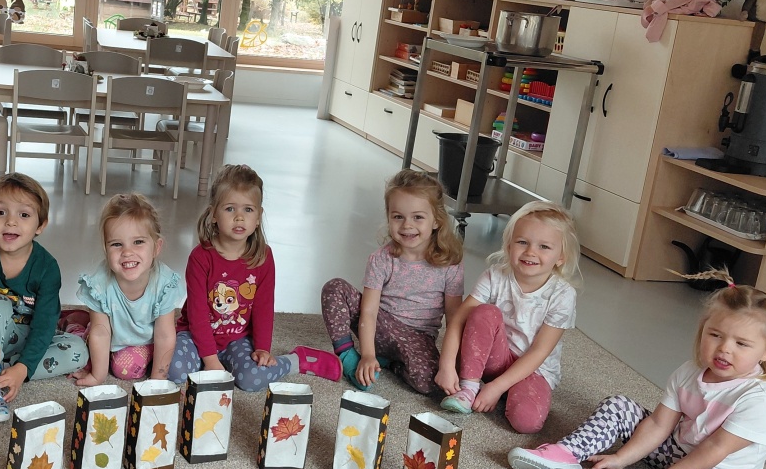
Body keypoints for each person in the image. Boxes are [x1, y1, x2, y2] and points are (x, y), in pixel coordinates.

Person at [511, 274, 766, 469]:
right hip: (677, 447)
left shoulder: (759, 400)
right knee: (620, 406)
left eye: (742, 344)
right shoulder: (690, 372)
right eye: (715, 335)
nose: (724, 349)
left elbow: (714, 450)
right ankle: (566, 454)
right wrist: (622, 458)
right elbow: (660, 424)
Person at [166, 164, 340, 390]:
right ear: (214, 214)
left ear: (258, 216)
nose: (239, 217)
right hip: (194, 335)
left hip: (237, 338)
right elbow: (197, 314)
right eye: (230, 209)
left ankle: (297, 361)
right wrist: (210, 360)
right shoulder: (200, 257)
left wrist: (262, 348)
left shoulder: (263, 257)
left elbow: (263, 307)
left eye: (248, 210)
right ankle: (208, 362)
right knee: (174, 370)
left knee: (251, 380)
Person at [0, 173, 88, 421]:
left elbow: (44, 325)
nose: (11, 222)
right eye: (1, 213)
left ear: (40, 225)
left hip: (25, 336)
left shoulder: (47, 267)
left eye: (24, 215)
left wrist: (23, 369)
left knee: (79, 352)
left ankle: (1, 368)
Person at [435, 200, 579, 434]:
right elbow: (458, 320)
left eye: (544, 246)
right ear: (509, 245)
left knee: (527, 422)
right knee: (484, 312)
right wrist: (447, 365)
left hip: (533, 369)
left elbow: (539, 352)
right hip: (493, 358)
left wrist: (496, 387)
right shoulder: (494, 276)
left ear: (561, 257)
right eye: (522, 242)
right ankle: (470, 387)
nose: (530, 252)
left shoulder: (563, 295)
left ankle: (503, 390)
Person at [321, 169, 464, 394]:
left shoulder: (450, 265)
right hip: (379, 325)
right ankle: (348, 357)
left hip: (417, 337)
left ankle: (393, 363)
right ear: (389, 217)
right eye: (398, 217)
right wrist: (367, 355)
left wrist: (450, 365)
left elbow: (455, 319)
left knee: (430, 382)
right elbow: (369, 312)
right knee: (334, 288)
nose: (407, 225)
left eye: (418, 217)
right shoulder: (381, 259)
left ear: (436, 220)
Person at [72, 193, 185, 385]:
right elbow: (101, 333)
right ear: (106, 249)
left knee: (137, 367)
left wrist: (157, 380)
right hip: (112, 335)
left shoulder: (165, 284)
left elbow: (165, 334)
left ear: (156, 247)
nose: (127, 252)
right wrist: (98, 376)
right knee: (82, 353)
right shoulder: (99, 284)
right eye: (117, 244)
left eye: (138, 242)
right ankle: (76, 326)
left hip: (150, 339)